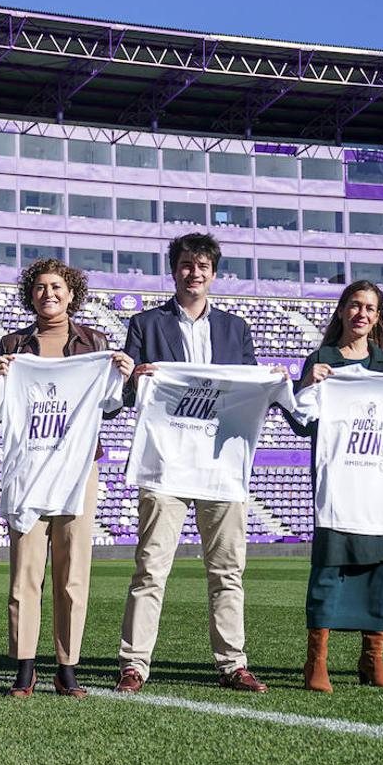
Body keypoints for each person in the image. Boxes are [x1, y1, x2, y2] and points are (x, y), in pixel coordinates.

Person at [116, 232, 270, 694]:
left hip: (220, 467)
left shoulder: (235, 329)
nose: (194, 272)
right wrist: (133, 378)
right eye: (186, 264)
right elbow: (128, 397)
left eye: (202, 265)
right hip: (167, 466)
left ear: (214, 273)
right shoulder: (146, 325)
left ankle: (232, 663)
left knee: (227, 572)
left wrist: (273, 382)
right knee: (150, 568)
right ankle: (134, 663)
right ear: (174, 270)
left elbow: (252, 389)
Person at [0, 258, 133, 698]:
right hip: (29, 468)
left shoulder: (94, 342)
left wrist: (123, 377)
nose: (48, 294)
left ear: (72, 293)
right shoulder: (14, 344)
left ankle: (67, 667)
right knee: (24, 574)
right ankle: (24, 665)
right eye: (40, 287)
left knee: (73, 574)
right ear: (30, 294)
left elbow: (109, 406)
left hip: (77, 468)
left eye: (57, 286)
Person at [291, 280, 383, 693]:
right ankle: (316, 662)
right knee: (329, 573)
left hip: (381, 491)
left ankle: (372, 659)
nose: (362, 314)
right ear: (342, 311)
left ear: (378, 318)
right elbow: (298, 420)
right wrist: (306, 383)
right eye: (355, 305)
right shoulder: (322, 359)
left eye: (370, 309)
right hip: (340, 489)